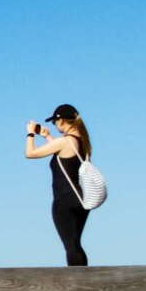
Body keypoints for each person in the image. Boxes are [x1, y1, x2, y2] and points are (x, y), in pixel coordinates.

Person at [25, 103, 95, 266]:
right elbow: (64, 154)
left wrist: (30, 134)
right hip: (81, 199)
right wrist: (47, 136)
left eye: (55, 122)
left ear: (61, 120)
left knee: (70, 246)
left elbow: (30, 154)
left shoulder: (66, 141)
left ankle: (77, 282)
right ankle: (83, 278)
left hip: (65, 200)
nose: (55, 126)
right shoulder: (82, 142)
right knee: (75, 243)